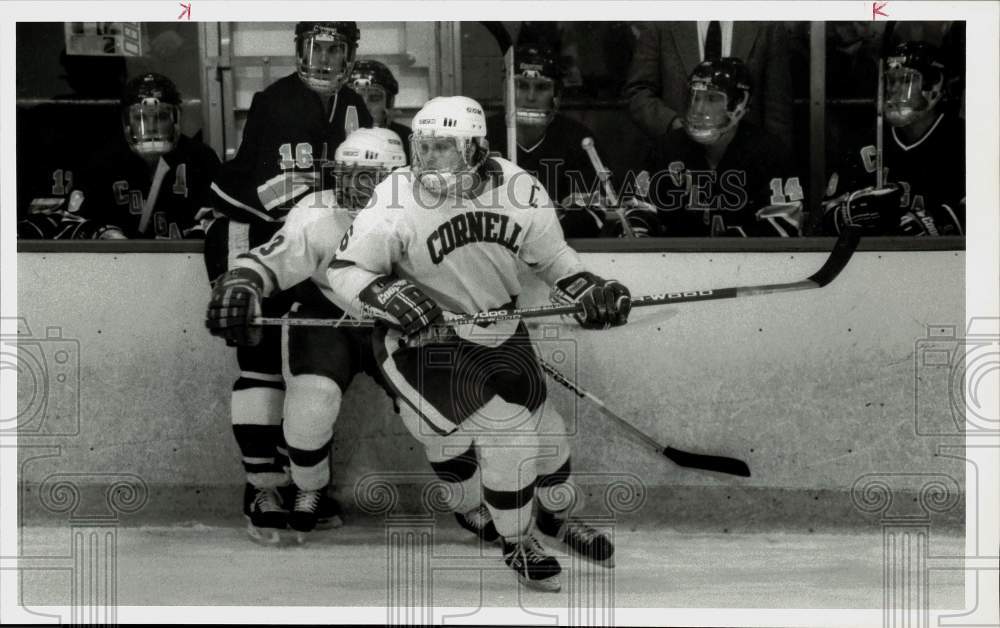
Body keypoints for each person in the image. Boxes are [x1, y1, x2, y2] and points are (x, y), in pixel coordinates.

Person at [327, 95, 630, 592]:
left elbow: (553, 259)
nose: (427, 163)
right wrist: (387, 293)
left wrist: (587, 288)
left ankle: (552, 519)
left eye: (443, 149)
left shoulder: (519, 188)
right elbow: (347, 270)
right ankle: (517, 540)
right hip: (427, 341)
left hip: (501, 330)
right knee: (508, 436)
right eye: (421, 149)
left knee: (550, 441)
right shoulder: (397, 196)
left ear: (477, 150)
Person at [203, 21, 371, 544]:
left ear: (350, 54)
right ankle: (261, 486)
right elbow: (283, 194)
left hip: (303, 242)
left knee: (302, 364)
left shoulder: (356, 106)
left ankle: (298, 482)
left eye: (334, 48)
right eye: (314, 47)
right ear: (298, 50)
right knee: (260, 361)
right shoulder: (277, 100)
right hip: (249, 233)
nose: (323, 59)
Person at [206, 128, 405, 544]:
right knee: (309, 410)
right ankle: (309, 489)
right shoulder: (317, 209)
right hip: (327, 317)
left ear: (394, 177)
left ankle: (474, 498)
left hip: (397, 323)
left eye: (367, 176)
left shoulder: (421, 211)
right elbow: (280, 254)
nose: (353, 187)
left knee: (434, 416)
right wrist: (245, 279)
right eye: (347, 174)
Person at [19, 73, 220, 239]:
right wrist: (104, 233)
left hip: (186, 269)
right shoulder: (104, 161)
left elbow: (219, 219)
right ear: (126, 121)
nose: (150, 127)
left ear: (176, 119)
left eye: (161, 117)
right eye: (140, 117)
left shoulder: (200, 158)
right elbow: (74, 222)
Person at [624, 58, 803, 237]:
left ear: (739, 103)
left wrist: (727, 250)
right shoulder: (666, 149)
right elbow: (638, 212)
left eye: (711, 98)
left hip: (744, 263)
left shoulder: (769, 152)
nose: (699, 109)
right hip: (678, 262)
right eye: (696, 97)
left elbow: (785, 223)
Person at [822, 41, 964, 236]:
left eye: (906, 81)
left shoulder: (963, 141)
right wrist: (850, 214)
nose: (895, 90)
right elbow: (826, 217)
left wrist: (937, 223)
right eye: (892, 81)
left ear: (934, 84)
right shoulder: (865, 141)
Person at [486, 43, 610, 237]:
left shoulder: (579, 142)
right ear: (505, 91)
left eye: (542, 87)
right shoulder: (481, 139)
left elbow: (592, 217)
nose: (530, 97)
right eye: (520, 85)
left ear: (557, 97)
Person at [625, 22, 793, 148]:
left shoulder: (768, 25)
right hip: (678, 161)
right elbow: (638, 92)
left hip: (749, 162)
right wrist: (673, 125)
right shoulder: (661, 23)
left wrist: (777, 166)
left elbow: (778, 111)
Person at [349, 59, 412, 163]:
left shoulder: (406, 139)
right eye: (356, 99)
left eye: (374, 98)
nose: (364, 107)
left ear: (389, 102)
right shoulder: (332, 136)